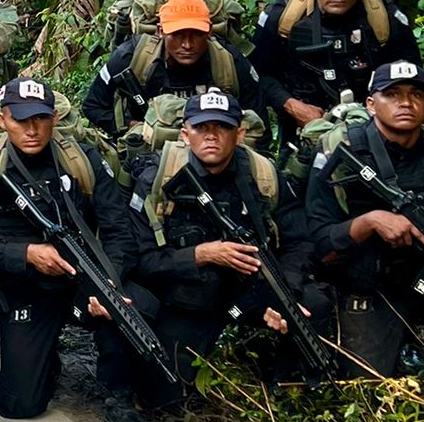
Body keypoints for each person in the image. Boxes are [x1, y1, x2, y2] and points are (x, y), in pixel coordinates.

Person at [0, 76, 157, 422]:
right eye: (21, 120)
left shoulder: (82, 161)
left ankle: (120, 397)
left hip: (84, 281)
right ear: (2, 119)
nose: (32, 130)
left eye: (40, 119)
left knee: (132, 308)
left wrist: (108, 282)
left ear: (53, 118)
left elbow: (118, 231)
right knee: (20, 405)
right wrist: (26, 254)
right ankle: (42, 362)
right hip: (27, 289)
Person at [305, 61, 424, 382]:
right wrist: (370, 222)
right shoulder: (343, 152)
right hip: (368, 283)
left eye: (416, 94)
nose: (406, 103)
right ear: (370, 104)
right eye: (392, 94)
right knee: (365, 381)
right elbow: (318, 241)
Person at [130, 89, 324, 405]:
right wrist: (202, 254)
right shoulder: (159, 178)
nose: (211, 136)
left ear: (240, 133)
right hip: (188, 298)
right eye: (201, 128)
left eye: (221, 128)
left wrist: (285, 291)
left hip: (251, 292)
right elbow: (143, 260)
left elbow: (299, 241)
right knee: (164, 398)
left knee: (313, 303)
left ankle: (287, 385)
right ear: (184, 133)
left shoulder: (263, 176)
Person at [254, 0, 420, 143]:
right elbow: (259, 73)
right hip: (302, 126)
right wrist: (291, 106)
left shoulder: (384, 18)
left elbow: (411, 76)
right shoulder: (283, 16)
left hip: (372, 125)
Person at [85, 0, 272, 140]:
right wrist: (135, 128)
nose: (187, 45)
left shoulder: (229, 61)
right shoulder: (131, 58)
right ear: (161, 31)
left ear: (208, 32)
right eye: (178, 35)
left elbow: (259, 126)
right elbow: (93, 106)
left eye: (196, 35)